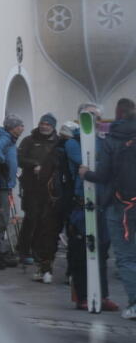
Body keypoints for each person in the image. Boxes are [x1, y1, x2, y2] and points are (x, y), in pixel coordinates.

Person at [80, 98, 136, 320]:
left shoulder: (113, 139)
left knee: (126, 257)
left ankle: (134, 303)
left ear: (118, 113)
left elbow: (103, 175)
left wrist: (86, 173)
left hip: (120, 206)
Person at [62, 109, 117, 311]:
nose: (95, 119)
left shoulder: (105, 141)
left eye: (97, 116)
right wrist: (102, 166)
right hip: (81, 204)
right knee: (81, 252)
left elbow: (109, 165)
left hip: (103, 204)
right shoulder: (73, 142)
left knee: (101, 252)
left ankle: (102, 295)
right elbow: (86, 163)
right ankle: (83, 296)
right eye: (90, 114)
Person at [17, 113, 61, 270]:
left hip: (48, 188)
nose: (44, 126)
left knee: (44, 220)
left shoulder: (57, 142)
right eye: (42, 123)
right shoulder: (29, 140)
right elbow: (19, 159)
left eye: (48, 124)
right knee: (31, 218)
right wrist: (34, 164)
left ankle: (37, 251)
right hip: (31, 187)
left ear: (53, 127)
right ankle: (23, 251)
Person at [0, 114, 24, 269]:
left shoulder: (9, 138)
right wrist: (2, 163)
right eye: (20, 125)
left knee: (1, 218)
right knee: (1, 219)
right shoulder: (5, 138)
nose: (22, 128)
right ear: (12, 127)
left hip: (3, 184)